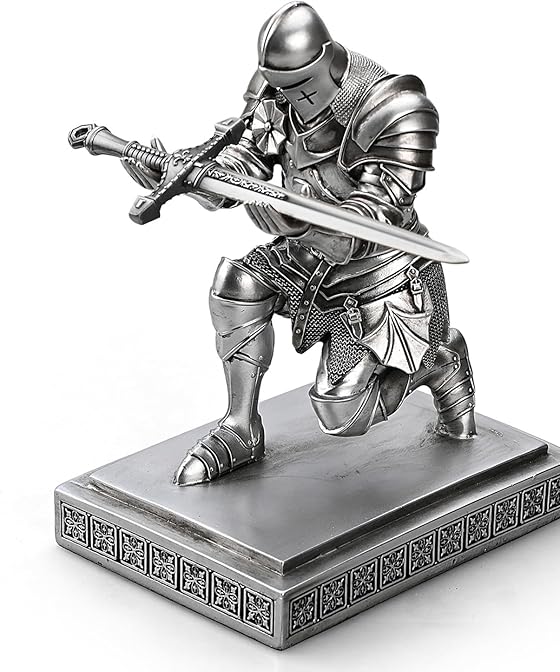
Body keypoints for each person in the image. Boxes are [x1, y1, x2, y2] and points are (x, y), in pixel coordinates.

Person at [126, 2, 476, 486]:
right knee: (237, 284)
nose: (287, 99)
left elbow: (377, 215)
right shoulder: (274, 91)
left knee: (343, 414)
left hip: (382, 271)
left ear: (328, 65)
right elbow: (244, 162)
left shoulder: (395, 111)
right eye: (279, 87)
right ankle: (240, 427)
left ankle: (440, 362)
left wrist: (300, 221)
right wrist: (184, 178)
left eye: (300, 88)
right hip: (304, 256)